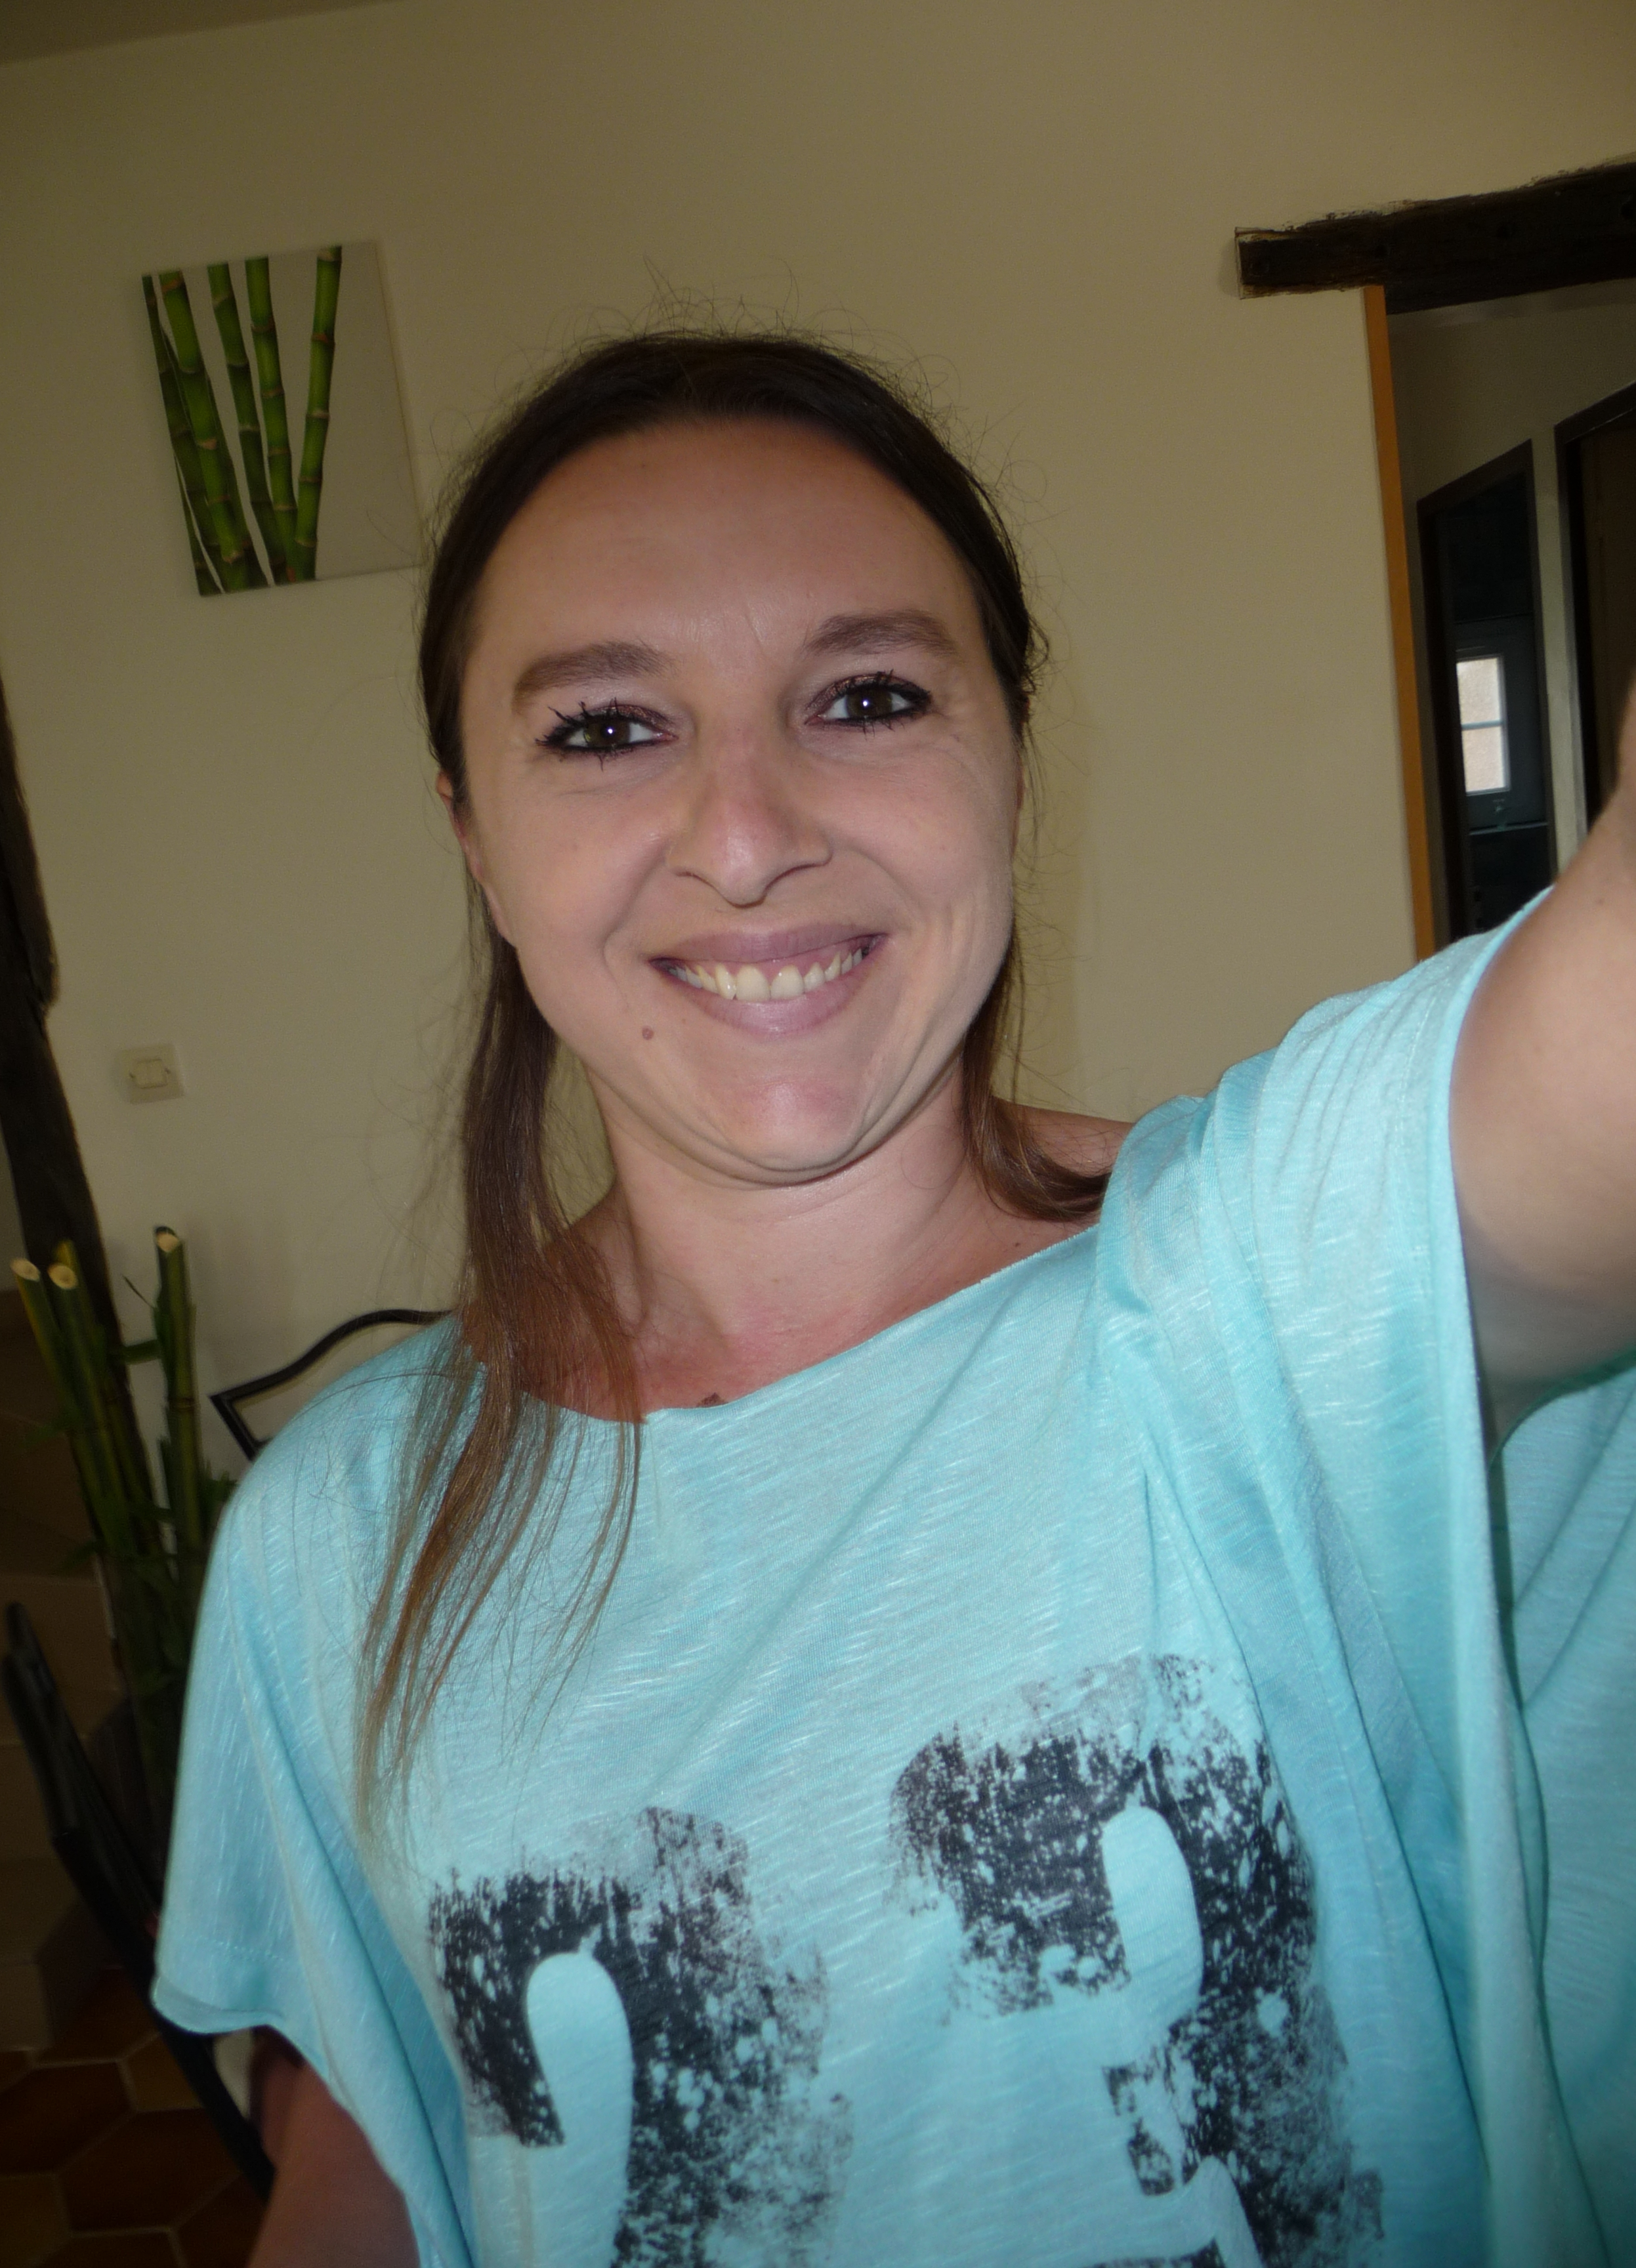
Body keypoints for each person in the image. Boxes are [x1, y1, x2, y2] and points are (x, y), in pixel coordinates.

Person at [152, 331, 1636, 2268]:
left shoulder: (1273, 1285)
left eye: (866, 697)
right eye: (605, 729)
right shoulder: (338, 1538)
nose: (749, 835)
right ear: (470, 833)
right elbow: (379, 2125)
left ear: (1010, 761)